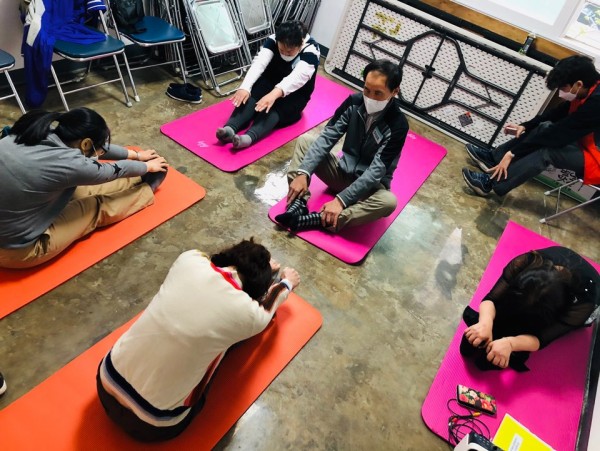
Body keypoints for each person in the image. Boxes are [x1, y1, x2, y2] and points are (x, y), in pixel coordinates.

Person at [97, 239, 300, 442]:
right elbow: (269, 306)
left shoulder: (188, 260)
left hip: (106, 380)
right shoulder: (250, 314)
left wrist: (255, 265)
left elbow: (213, 260)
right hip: (153, 425)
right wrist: (286, 282)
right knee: (226, 342)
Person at [0, 108, 168, 269]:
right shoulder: (69, 164)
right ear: (86, 143)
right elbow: (111, 170)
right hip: (16, 251)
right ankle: (147, 190)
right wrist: (147, 167)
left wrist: (136, 155)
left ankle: (137, 179)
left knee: (77, 190)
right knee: (93, 207)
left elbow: (100, 149)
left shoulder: (35, 130)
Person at [276, 59, 408, 232]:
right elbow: (327, 137)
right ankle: (298, 203)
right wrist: (303, 172)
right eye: (367, 89)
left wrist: (341, 200)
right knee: (305, 141)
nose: (370, 97)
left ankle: (322, 220)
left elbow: (375, 172)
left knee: (389, 202)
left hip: (369, 190)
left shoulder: (398, 125)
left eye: (378, 93)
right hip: (342, 173)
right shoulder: (354, 102)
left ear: (395, 91)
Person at [462, 55, 600, 197]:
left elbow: (559, 134)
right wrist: (526, 126)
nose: (560, 93)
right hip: (585, 144)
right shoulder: (588, 88)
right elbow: (557, 113)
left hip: (596, 158)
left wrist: (513, 153)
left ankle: (490, 183)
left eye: (563, 87)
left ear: (578, 84)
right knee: (544, 126)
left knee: (547, 152)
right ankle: (494, 159)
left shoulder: (596, 103)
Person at [460, 246, 599, 371]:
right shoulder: (526, 262)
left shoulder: (582, 305)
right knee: (479, 338)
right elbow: (492, 299)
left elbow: (542, 338)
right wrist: (485, 323)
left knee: (494, 353)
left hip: (582, 295)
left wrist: (511, 344)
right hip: (559, 259)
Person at [215, 20, 320, 149]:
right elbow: (260, 63)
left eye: (289, 52)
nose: (285, 54)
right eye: (281, 50)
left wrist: (273, 95)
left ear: (301, 44)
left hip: (296, 93)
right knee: (252, 95)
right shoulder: (273, 39)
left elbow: (297, 77)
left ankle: (248, 138)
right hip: (271, 81)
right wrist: (245, 87)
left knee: (275, 108)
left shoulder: (311, 50)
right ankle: (230, 128)